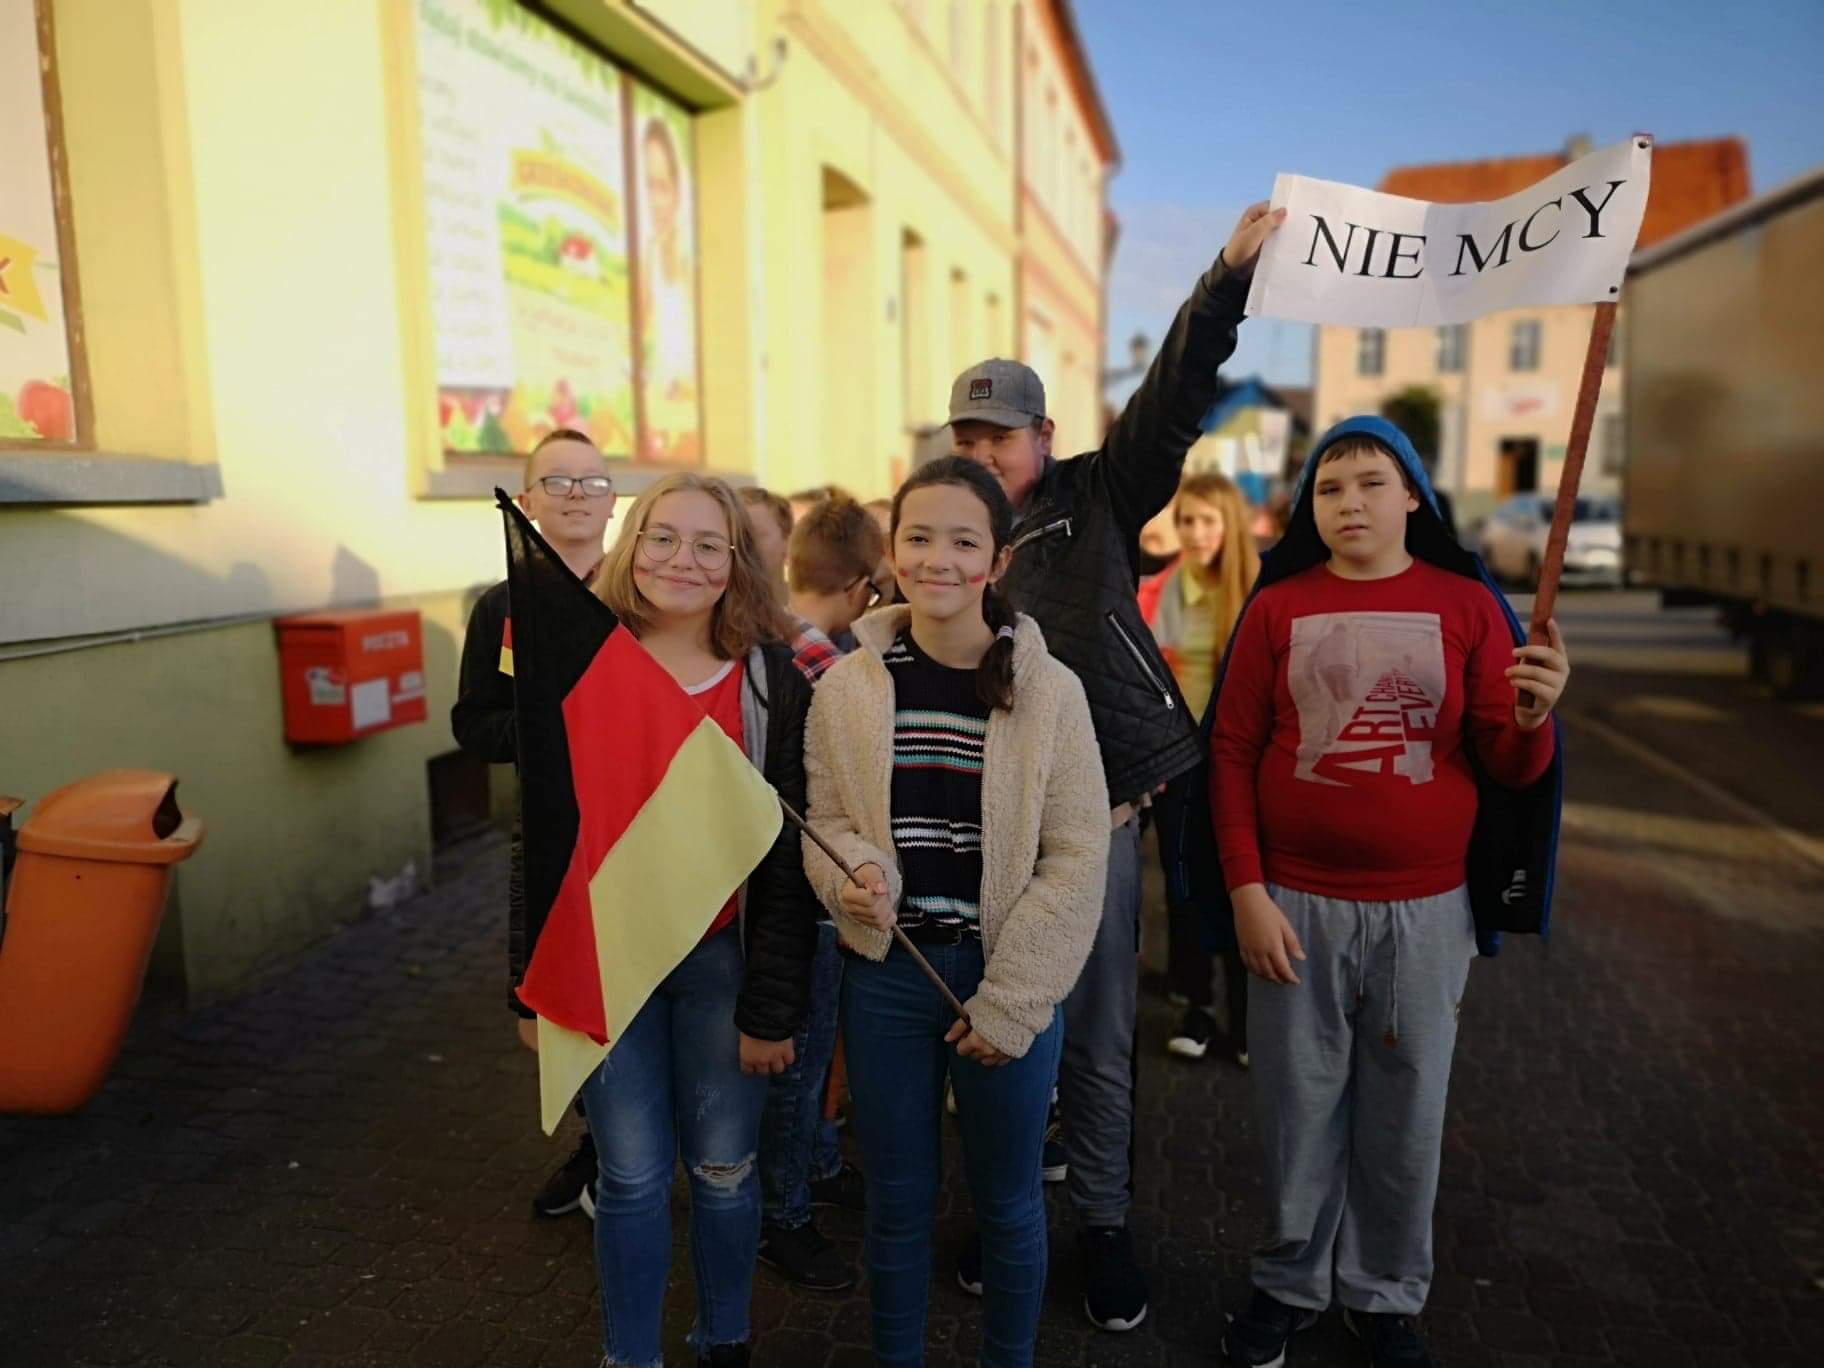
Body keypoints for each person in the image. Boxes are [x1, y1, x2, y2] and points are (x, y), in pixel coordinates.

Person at [944, 201, 1285, 1331]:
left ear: (1043, 437)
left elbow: (1176, 391)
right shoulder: (945, 537)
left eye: (1000, 437)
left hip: (1094, 822)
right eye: (967, 439)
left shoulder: (1099, 494)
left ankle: (1103, 1227)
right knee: (999, 1030)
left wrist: (1223, 281)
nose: (984, 455)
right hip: (980, 827)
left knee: (1095, 1040)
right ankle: (1006, 1218)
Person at [1206, 417, 1569, 1368]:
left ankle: (1384, 1295)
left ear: (1413, 494)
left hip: (1427, 914)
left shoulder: (1467, 604)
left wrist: (1533, 720)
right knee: (1297, 1109)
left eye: (1372, 482)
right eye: (1329, 489)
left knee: (1406, 1115)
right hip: (1294, 907)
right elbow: (1232, 750)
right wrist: (1245, 889)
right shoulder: (1278, 608)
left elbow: (1507, 762)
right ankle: (1290, 1282)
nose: (1350, 503)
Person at [801, 457, 1109, 1368]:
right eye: (919, 538)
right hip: (888, 976)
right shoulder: (847, 687)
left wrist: (1013, 1000)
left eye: (964, 541)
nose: (939, 559)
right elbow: (826, 820)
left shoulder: (1052, 691)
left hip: (1006, 975)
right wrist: (856, 872)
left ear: (998, 561)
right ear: (892, 555)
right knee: (897, 1203)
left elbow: (1078, 854)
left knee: (1009, 1203)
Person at [575, 472, 818, 1368]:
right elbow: (544, 834)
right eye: (664, 536)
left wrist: (772, 1009)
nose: (684, 559)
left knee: (723, 1171)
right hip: (611, 961)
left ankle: (724, 1339)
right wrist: (530, 985)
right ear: (632, 544)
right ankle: (630, 1356)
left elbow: (788, 854)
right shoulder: (585, 664)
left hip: (725, 959)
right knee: (631, 1177)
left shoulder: (770, 681)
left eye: (709, 543)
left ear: (737, 562)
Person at [449, 427, 615, 1220]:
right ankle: (600, 1140)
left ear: (614, 501)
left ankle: (629, 1149)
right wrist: (547, 728)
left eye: (592, 481)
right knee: (555, 1010)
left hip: (638, 832)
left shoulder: (646, 596)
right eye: (558, 481)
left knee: (637, 991)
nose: (577, 495)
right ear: (525, 502)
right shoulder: (501, 608)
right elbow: (473, 725)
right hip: (550, 839)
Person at [751, 496, 891, 1291]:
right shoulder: (829, 668)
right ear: (863, 588)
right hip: (808, 891)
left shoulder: (764, 635)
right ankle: (785, 1211)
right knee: (802, 1063)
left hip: (771, 883)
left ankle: (819, 1163)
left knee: (806, 1060)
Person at [1135, 471, 1260, 1065]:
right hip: (1180, 765)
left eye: (1208, 520)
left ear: (1230, 524)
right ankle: (1198, 1008)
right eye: (1187, 519)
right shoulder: (1162, 592)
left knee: (1242, 887)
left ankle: (1248, 1019)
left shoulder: (1259, 592)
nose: (1195, 531)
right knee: (1184, 891)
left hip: (1244, 765)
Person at [737, 486, 794, 599]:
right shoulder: (708, 607)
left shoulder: (811, 607)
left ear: (789, 543)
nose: (742, 543)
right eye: (734, 535)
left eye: (756, 535)